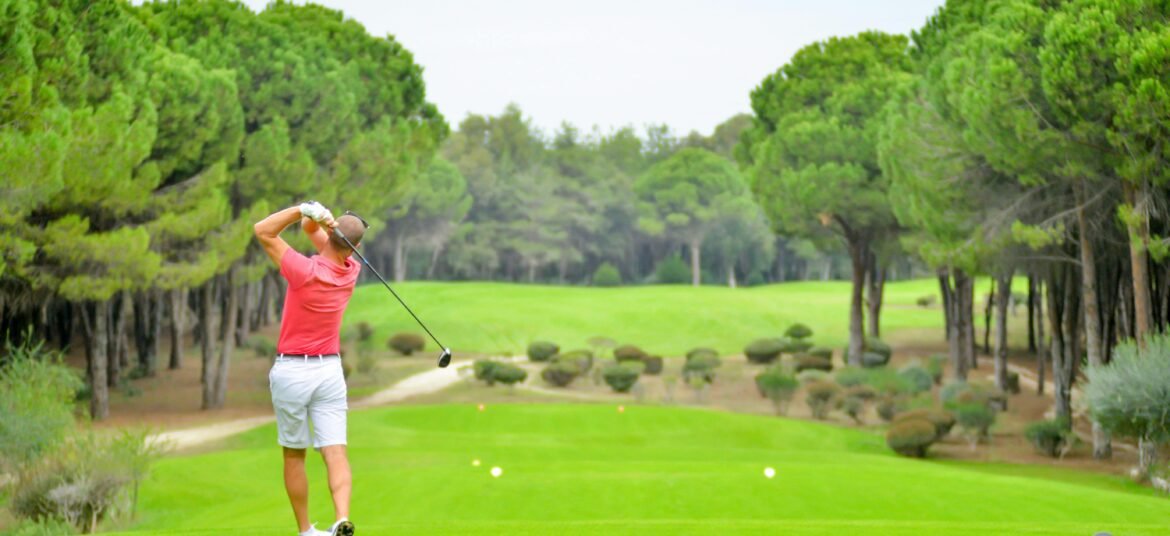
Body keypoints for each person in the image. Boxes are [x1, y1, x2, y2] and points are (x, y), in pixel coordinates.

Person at [253, 202, 367, 536]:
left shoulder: (303, 270)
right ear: (355, 247)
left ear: (332, 234)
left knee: (294, 455)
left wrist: (302, 209)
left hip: (292, 371)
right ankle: (341, 518)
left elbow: (263, 231)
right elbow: (316, 234)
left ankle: (306, 531)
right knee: (335, 450)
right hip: (329, 372)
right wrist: (317, 222)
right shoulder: (351, 270)